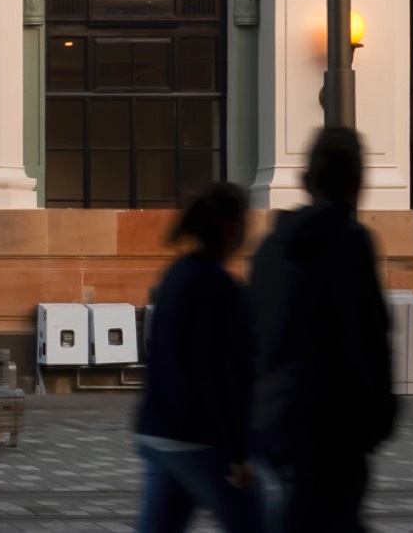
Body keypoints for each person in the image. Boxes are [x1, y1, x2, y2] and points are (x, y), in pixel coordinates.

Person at [251, 126, 396, 533]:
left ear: (306, 178)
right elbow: (366, 337)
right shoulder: (350, 242)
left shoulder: (270, 247)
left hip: (275, 421)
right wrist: (378, 417)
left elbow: (255, 338)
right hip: (333, 429)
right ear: (357, 181)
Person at [136, 180, 263, 533]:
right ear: (229, 227)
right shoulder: (220, 288)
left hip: (159, 430)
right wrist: (238, 454)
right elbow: (221, 377)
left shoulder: (176, 274)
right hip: (202, 439)